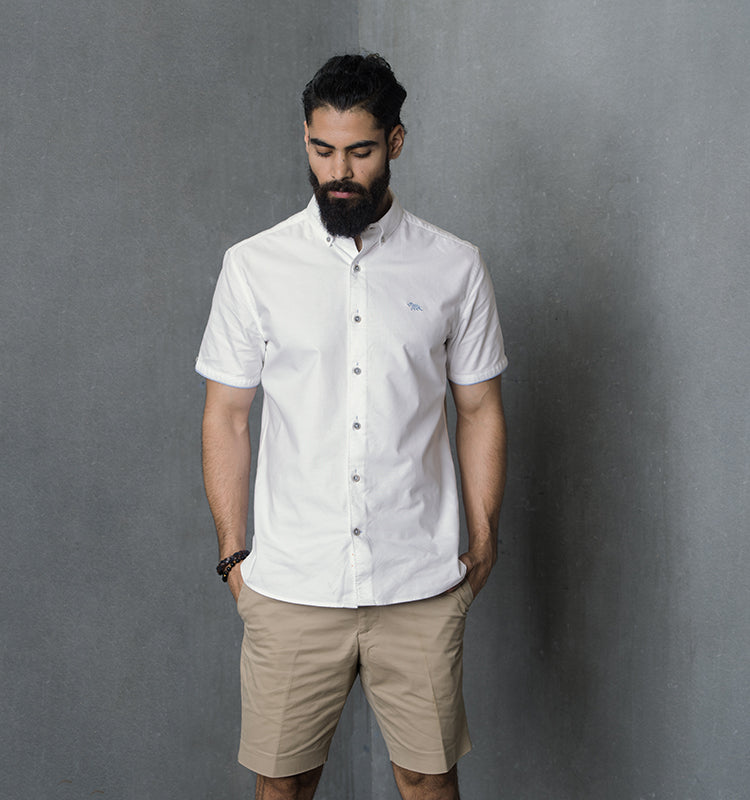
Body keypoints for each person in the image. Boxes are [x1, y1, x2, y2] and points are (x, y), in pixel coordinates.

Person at [196, 53, 508, 800]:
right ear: (305, 139)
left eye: (360, 151)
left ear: (395, 142)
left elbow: (479, 409)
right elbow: (227, 416)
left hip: (418, 582)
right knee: (284, 785)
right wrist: (234, 554)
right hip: (292, 582)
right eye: (322, 148)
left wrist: (483, 536)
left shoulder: (455, 267)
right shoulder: (253, 266)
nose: (338, 171)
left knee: (427, 781)